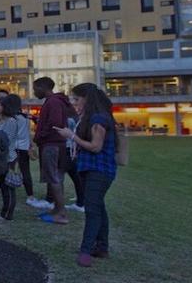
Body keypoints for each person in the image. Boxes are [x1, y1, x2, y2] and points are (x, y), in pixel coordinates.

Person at [55, 83, 119, 268]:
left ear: (86, 99)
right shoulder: (92, 117)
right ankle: (102, 247)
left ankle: (86, 251)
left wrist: (71, 136)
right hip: (93, 169)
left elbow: (96, 147)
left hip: (99, 170)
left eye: (76, 99)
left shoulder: (98, 119)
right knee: (98, 206)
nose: (74, 103)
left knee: (92, 210)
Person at [32, 77, 75, 224]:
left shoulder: (53, 102)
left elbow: (55, 124)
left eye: (35, 88)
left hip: (52, 145)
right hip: (54, 144)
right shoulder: (54, 101)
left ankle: (61, 213)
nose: (34, 92)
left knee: (54, 178)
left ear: (43, 87)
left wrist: (40, 135)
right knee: (56, 178)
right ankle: (57, 208)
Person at [0, 94, 30, 221]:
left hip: (8, 158)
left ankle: (7, 213)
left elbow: (5, 140)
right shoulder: (1, 121)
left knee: (7, 186)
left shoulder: (11, 121)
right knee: (3, 186)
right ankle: (6, 212)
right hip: (1, 158)